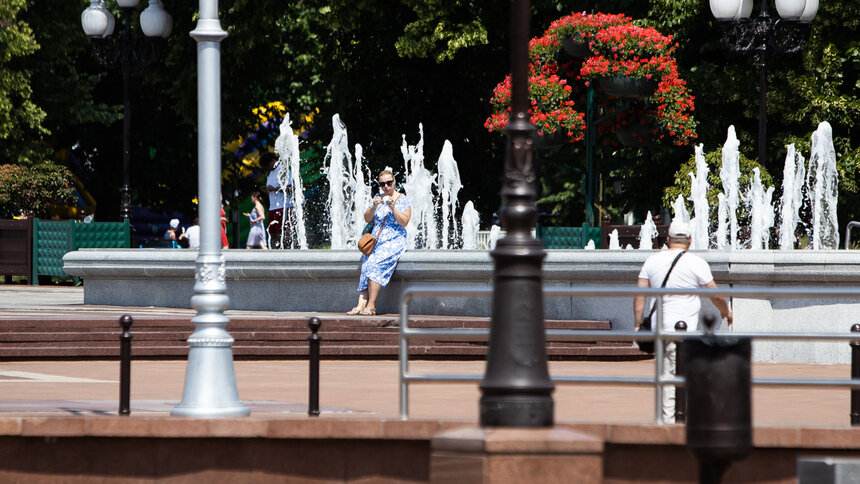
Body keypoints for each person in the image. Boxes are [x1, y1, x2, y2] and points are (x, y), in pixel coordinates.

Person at [633, 219, 733, 423]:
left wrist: (637, 324)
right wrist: (726, 311)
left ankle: (668, 419)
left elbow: (640, 295)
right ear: (690, 240)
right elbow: (715, 295)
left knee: (666, 376)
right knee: (682, 375)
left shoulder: (652, 261)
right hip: (684, 331)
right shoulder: (696, 262)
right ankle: (674, 423)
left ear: (668, 239)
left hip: (659, 327)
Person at [347, 170, 412, 316]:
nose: (386, 187)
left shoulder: (402, 199)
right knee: (367, 265)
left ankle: (371, 306)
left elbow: (404, 221)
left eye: (389, 183)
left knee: (375, 264)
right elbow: (367, 218)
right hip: (376, 241)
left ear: (394, 182)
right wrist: (373, 206)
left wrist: (392, 207)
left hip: (394, 240)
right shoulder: (377, 198)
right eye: (383, 184)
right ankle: (360, 305)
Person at [259, 152, 293, 249]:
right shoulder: (270, 174)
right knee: (272, 233)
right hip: (273, 207)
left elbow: (290, 188)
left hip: (284, 206)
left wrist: (273, 189)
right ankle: (274, 254)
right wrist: (267, 190)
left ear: (273, 161)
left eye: (267, 165)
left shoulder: (282, 170)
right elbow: (274, 189)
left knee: (283, 233)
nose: (267, 168)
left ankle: (287, 253)